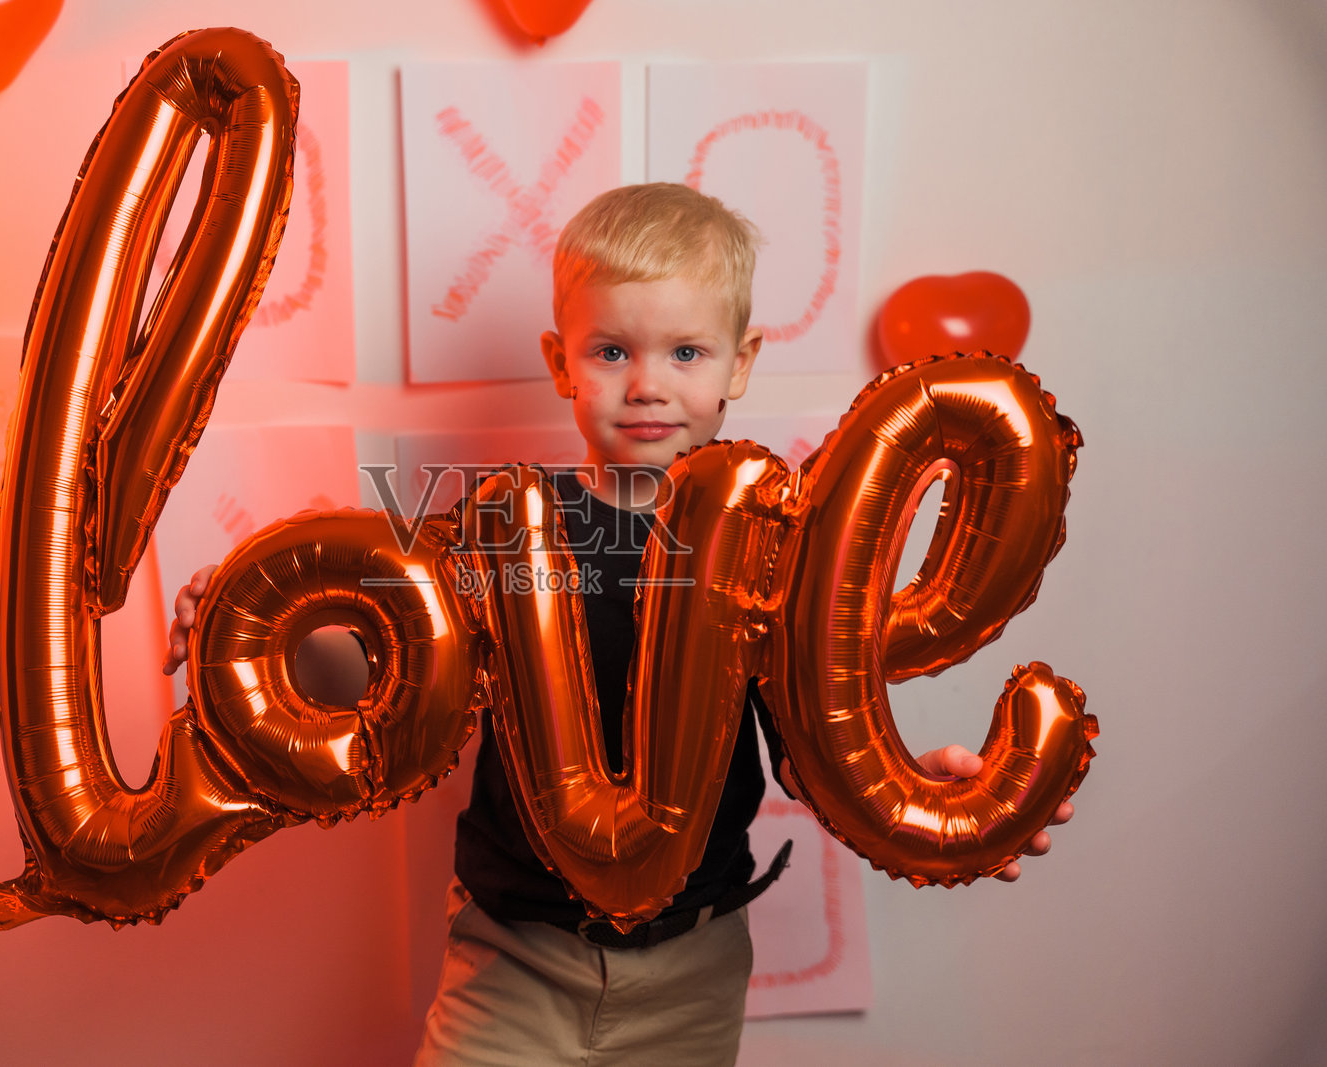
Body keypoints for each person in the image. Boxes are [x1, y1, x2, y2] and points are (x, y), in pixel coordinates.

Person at [161, 183, 1071, 1066]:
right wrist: (252, 634)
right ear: (561, 361)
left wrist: (928, 785)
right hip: (514, 954)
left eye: (685, 353)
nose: (646, 385)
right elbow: (375, 673)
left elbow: (819, 736)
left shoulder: (771, 546)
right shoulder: (505, 528)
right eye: (610, 352)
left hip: (695, 965)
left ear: (740, 364)